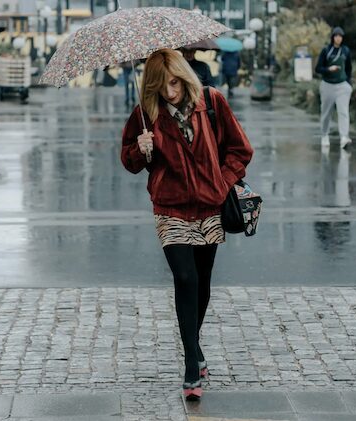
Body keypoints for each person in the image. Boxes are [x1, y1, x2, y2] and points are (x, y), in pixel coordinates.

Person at [120, 49, 253, 401]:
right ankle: (192, 363)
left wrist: (221, 182)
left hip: (209, 207)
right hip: (171, 206)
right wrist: (141, 148)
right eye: (162, 86)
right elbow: (129, 162)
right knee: (185, 278)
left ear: (184, 76)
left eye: (175, 83)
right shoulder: (146, 115)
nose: (170, 91)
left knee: (203, 282)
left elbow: (241, 151)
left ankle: (194, 347)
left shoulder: (211, 102)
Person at [315, 27, 353, 149]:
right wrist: (328, 69)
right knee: (326, 113)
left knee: (343, 112)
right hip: (328, 85)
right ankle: (325, 135)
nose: (338, 38)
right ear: (332, 37)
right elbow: (318, 68)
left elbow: (349, 68)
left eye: (340, 36)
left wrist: (348, 83)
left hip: (342, 85)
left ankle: (344, 137)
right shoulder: (326, 51)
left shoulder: (345, 51)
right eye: (336, 36)